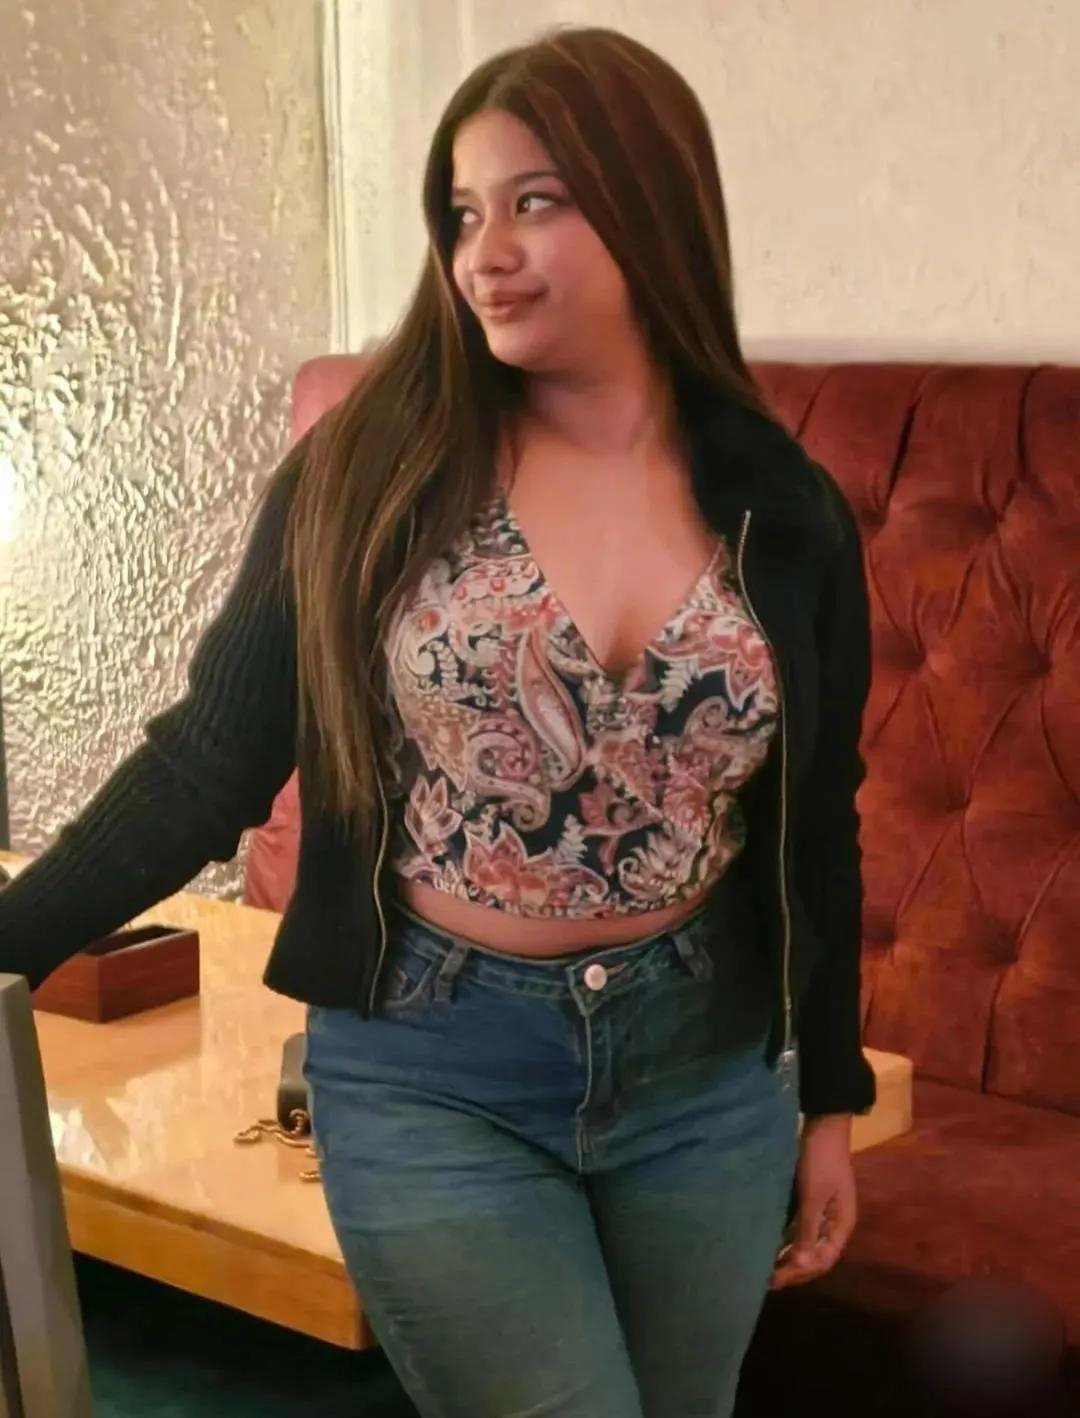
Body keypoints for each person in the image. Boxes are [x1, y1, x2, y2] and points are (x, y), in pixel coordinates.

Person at [0, 24, 878, 1418]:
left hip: (708, 1076)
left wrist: (829, 1097)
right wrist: (8, 938)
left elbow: (818, 824)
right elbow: (206, 761)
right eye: (462, 214)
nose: (486, 254)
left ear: (652, 202)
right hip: (432, 1070)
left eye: (537, 201)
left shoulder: (786, 506)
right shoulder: (365, 476)